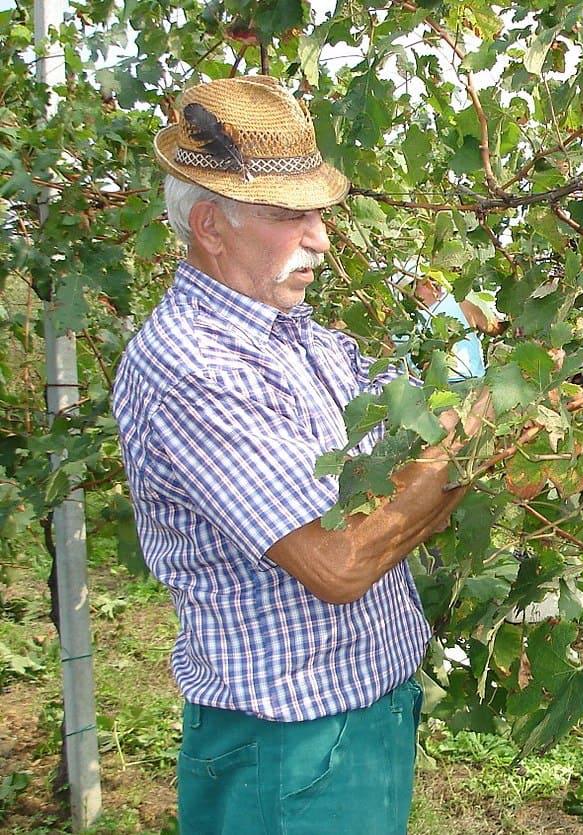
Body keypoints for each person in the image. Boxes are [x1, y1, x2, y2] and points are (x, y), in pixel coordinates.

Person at [112, 75, 490, 834]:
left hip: (367, 720)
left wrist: (460, 343)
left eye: (317, 211)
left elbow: (409, 434)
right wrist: (479, 425)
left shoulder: (306, 340)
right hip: (284, 752)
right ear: (212, 226)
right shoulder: (192, 367)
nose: (320, 236)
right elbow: (338, 561)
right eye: (291, 215)